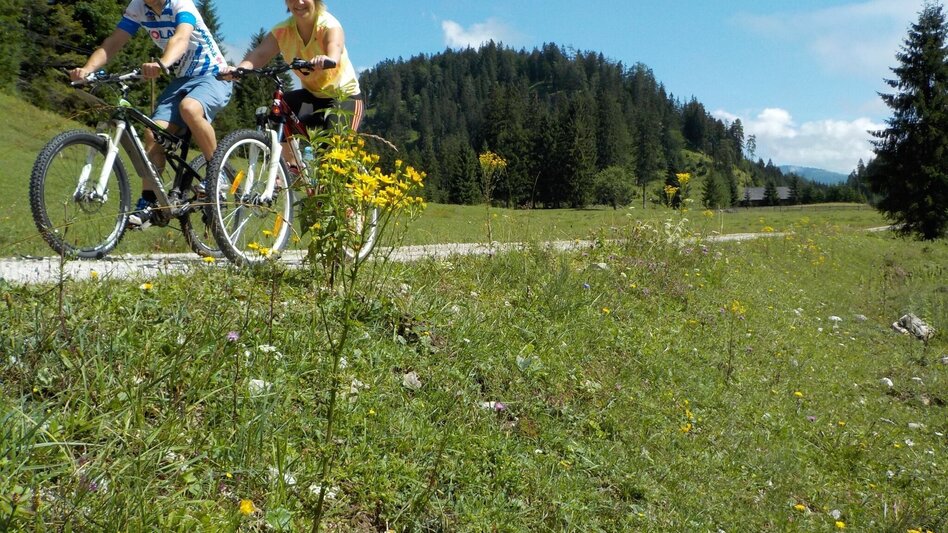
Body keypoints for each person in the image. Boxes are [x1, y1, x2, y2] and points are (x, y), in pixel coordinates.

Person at [69, 0, 232, 229]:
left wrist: (163, 63)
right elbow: (113, 42)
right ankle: (150, 201)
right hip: (181, 79)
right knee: (153, 133)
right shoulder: (138, 7)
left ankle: (218, 175)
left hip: (213, 75)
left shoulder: (180, 4)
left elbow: (181, 38)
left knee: (190, 108)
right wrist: (87, 69)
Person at [224, 0, 364, 167]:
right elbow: (260, 54)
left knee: (332, 158)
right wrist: (239, 69)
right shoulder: (283, 31)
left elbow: (335, 45)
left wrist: (329, 58)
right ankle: (291, 167)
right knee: (282, 106)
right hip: (313, 96)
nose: (299, 2)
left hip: (344, 98)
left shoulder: (328, 24)